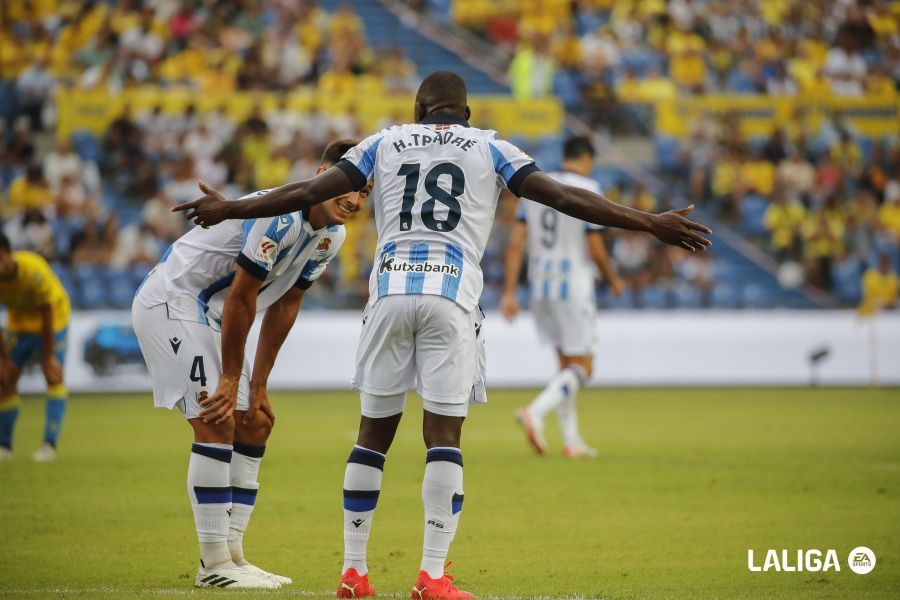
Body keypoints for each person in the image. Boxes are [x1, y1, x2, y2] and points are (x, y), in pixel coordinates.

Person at [173, 70, 712, 599]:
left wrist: (230, 207)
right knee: (443, 438)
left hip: (387, 295)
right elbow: (564, 198)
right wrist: (649, 222)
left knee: (371, 438)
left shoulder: (383, 142)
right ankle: (431, 576)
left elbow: (308, 190)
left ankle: (354, 573)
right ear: (466, 113)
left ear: (418, 110)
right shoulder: (491, 147)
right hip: (452, 297)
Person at [133, 140, 365, 589]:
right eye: (349, 187)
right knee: (216, 420)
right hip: (173, 302)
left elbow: (285, 307)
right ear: (322, 176)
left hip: (211, 314)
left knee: (253, 422)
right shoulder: (279, 218)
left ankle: (234, 555)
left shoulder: (331, 235)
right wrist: (230, 377)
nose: (354, 200)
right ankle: (213, 564)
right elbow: (242, 296)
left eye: (364, 193)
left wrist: (258, 387)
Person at [499, 136, 624, 458]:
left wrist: (510, 291)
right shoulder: (589, 187)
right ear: (586, 159)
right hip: (574, 286)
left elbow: (516, 244)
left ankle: (571, 440)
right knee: (584, 367)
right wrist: (612, 278)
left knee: (565, 366)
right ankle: (535, 412)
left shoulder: (536, 189)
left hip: (541, 286)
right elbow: (595, 246)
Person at [0, 232, 70, 462]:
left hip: (53, 322)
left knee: (53, 376)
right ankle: (5, 447)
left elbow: (47, 311)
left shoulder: (33, 269)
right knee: (6, 380)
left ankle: (49, 444)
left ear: (9, 254)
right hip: (19, 326)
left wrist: (47, 356)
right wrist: (4, 360)